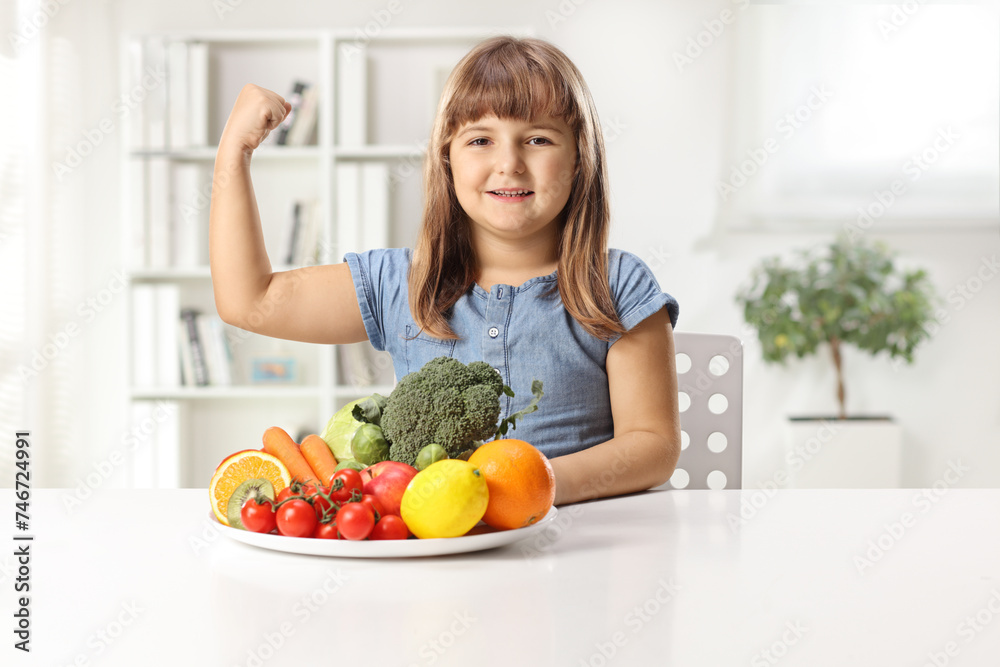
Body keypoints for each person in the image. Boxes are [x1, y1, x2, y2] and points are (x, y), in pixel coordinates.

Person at [210, 35, 681, 506]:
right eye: (480, 140)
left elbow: (653, 446)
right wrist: (235, 152)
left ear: (579, 158)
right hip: (439, 560)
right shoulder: (397, 285)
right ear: (447, 158)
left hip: (581, 550)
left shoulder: (617, 284)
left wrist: (528, 487)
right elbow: (248, 302)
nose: (509, 164)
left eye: (538, 139)